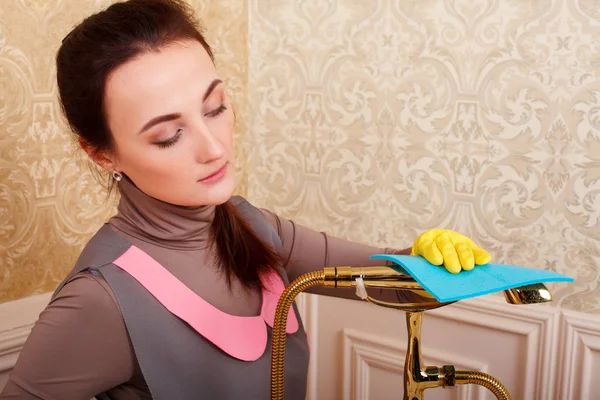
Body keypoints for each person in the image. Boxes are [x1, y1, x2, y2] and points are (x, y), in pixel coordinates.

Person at [0, 0, 491, 399]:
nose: (214, 148)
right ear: (102, 153)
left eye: (215, 108)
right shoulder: (100, 300)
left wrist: (426, 256)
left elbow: (397, 284)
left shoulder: (253, 226)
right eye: (169, 136)